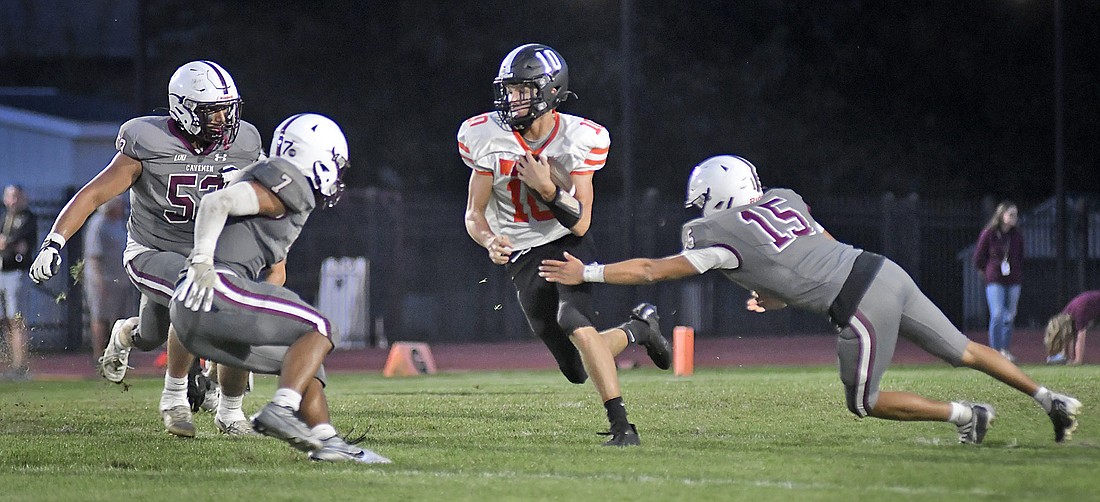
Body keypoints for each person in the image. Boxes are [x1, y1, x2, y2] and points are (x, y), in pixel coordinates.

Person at [539, 154, 1083, 444]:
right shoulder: (783, 200)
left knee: (864, 402)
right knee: (963, 348)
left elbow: (655, 269)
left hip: (858, 301)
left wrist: (587, 269)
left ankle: (968, 414)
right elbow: (815, 248)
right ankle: (1051, 400)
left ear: (717, 197)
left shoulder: (715, 233)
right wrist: (779, 293)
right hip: (879, 269)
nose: (700, 212)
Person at [29, 60, 261, 437]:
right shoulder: (147, 139)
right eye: (212, 111)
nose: (223, 119)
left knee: (153, 334)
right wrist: (55, 240)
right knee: (195, 294)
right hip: (151, 251)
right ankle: (181, 401)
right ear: (183, 109)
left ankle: (124, 335)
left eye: (227, 109)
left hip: (205, 255)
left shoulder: (245, 142)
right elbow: (93, 194)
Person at [459, 43, 672, 447]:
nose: (513, 100)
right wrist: (489, 240)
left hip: (565, 241)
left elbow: (582, 221)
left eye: (523, 90)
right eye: (510, 90)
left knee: (573, 320)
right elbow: (474, 213)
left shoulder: (580, 137)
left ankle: (622, 425)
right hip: (521, 255)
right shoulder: (484, 135)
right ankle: (639, 330)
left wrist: (547, 189)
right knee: (575, 369)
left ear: (550, 91)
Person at [170, 113, 389, 463]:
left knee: (305, 354)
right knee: (319, 326)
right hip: (216, 288)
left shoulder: (275, 184)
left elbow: (271, 269)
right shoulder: (291, 184)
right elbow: (216, 203)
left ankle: (325, 439)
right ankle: (281, 410)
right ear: (315, 157)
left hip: (198, 312)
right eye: (334, 162)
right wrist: (202, 261)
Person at [82, 196, 138, 363]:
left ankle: (117, 355)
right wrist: (100, 283)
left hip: (119, 279)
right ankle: (98, 355)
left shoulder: (119, 223)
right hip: (103, 280)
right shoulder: (98, 224)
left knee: (118, 318)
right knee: (100, 317)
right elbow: (93, 256)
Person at [972, 201, 1024, 362]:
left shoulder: (1016, 235)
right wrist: (986, 273)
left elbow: (1021, 256)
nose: (1014, 218)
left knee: (1010, 315)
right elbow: (978, 258)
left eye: (1016, 214)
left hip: (1013, 279)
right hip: (994, 278)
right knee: (998, 314)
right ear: (1002, 215)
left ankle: (1005, 349)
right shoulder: (989, 233)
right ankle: (995, 351)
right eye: (1011, 214)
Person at [0, 185, 35, 381]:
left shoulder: (28, 218)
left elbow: (20, 242)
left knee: (17, 319)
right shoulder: (3, 217)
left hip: (16, 273)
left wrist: (8, 243)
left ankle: (21, 364)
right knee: (6, 321)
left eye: (16, 196)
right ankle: (12, 362)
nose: (12, 201)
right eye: (9, 196)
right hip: (1, 272)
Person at [1045, 289, 1100, 365]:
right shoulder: (1066, 314)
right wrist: (1070, 359)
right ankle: (1060, 357)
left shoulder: (1079, 313)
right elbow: (1070, 337)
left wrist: (1078, 360)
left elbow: (1081, 337)